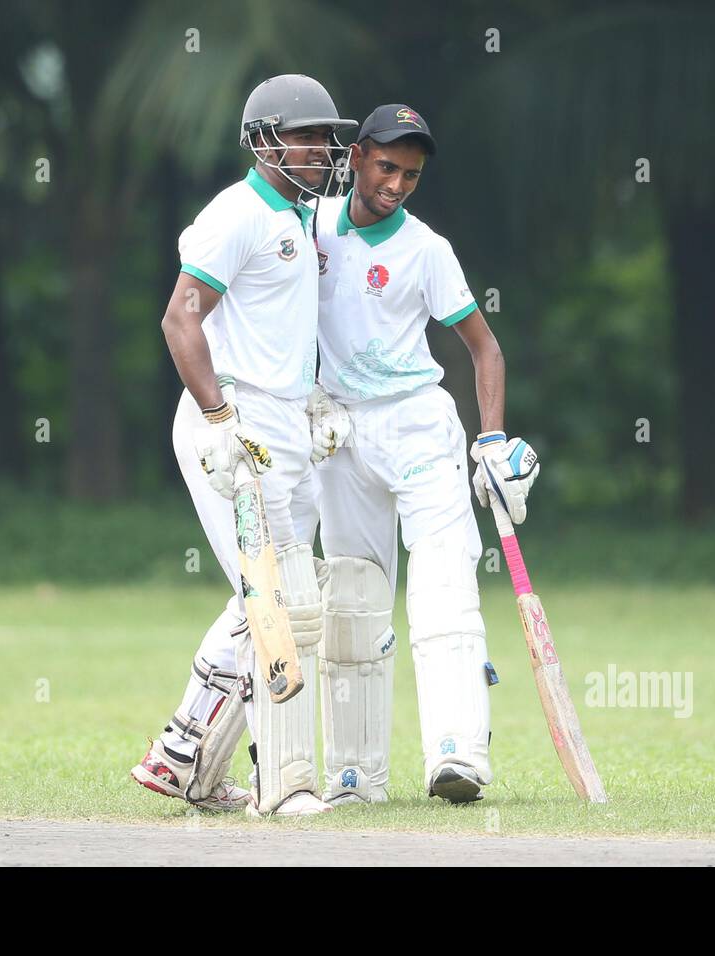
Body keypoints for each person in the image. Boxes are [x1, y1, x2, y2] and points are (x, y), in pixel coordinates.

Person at [131, 75, 355, 816]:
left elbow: (278, 331)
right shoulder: (236, 213)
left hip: (284, 422)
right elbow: (179, 319)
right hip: (232, 425)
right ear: (264, 141)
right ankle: (280, 780)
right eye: (308, 136)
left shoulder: (298, 216)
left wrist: (311, 395)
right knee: (276, 599)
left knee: (277, 593)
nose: (323, 150)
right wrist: (221, 419)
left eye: (328, 137)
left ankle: (183, 756)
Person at [307, 104, 539, 804]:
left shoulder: (426, 249)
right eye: (386, 167)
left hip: (416, 425)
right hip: (337, 433)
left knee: (441, 586)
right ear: (356, 158)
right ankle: (355, 773)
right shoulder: (307, 225)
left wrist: (491, 441)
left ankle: (458, 754)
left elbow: (484, 346)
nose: (397, 184)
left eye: (411, 174)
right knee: (352, 599)